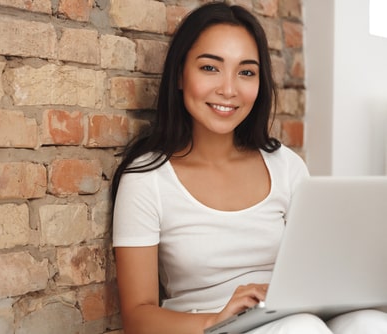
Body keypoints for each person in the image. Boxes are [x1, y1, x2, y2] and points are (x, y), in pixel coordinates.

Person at [111, 2, 387, 334]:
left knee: (372, 323)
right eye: (210, 68)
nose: (229, 89)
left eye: (246, 72)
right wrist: (216, 319)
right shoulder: (147, 178)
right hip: (206, 326)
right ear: (180, 75)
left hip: (288, 318)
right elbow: (137, 318)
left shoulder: (285, 166)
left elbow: (318, 269)